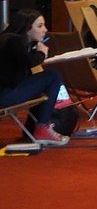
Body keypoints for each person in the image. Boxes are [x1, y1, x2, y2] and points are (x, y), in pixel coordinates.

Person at [0, 9, 70, 146]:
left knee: (45, 80)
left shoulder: (11, 39)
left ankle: (36, 127)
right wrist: (42, 53)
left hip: (8, 90)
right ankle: (42, 127)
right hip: (5, 95)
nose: (45, 30)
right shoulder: (12, 42)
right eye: (39, 26)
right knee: (53, 76)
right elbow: (29, 62)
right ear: (27, 28)